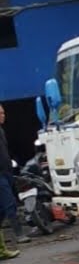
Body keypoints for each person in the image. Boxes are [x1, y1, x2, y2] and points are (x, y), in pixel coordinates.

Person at [0, 103, 27, 255]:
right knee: (9, 203)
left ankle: (1, 247)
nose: (3, 116)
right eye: (0, 113)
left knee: (2, 209)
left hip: (6, 172)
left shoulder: (1, 131)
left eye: (3, 113)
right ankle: (19, 234)